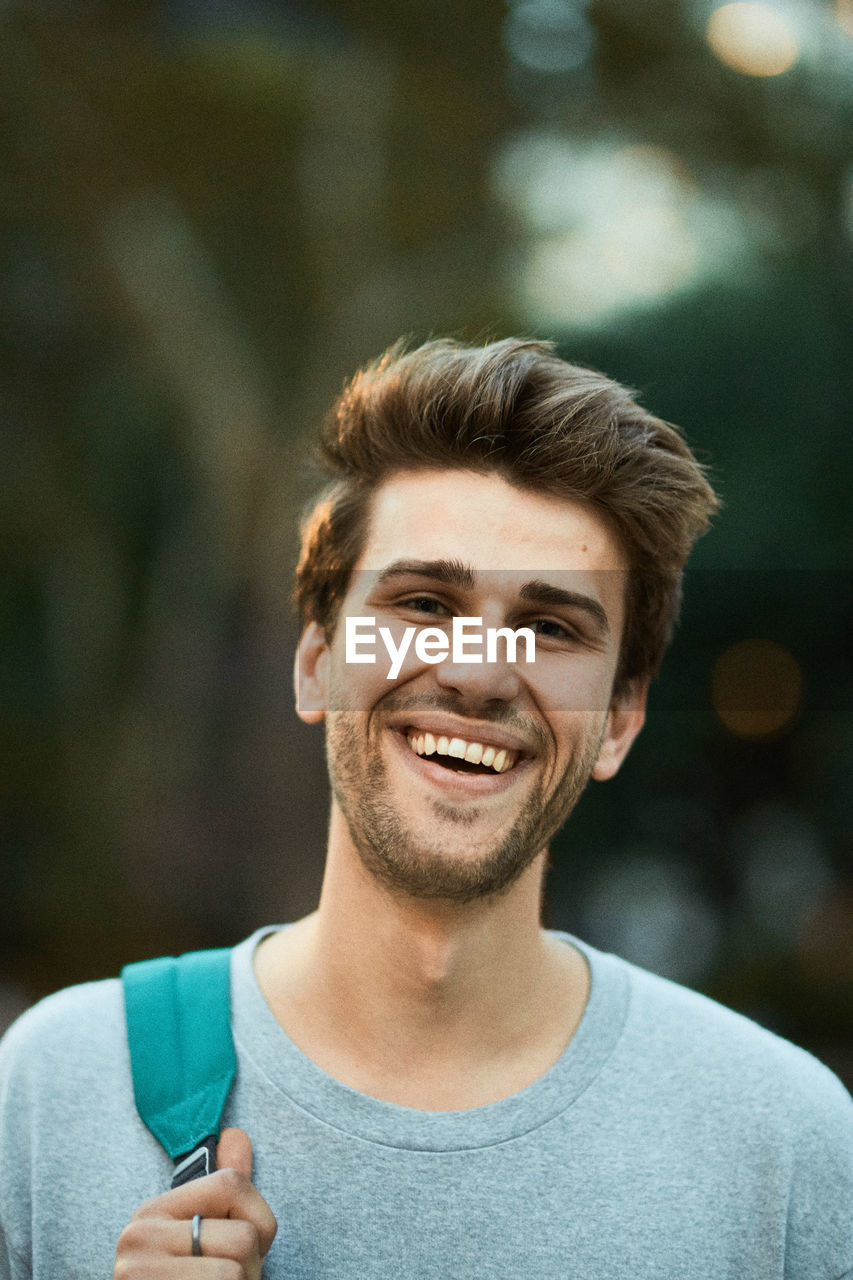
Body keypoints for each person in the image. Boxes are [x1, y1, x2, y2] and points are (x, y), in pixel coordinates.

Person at [1, 338, 851, 1280]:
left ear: (617, 721)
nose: (479, 673)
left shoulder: (785, 1146)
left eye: (550, 626)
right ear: (316, 660)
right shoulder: (51, 1094)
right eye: (421, 602)